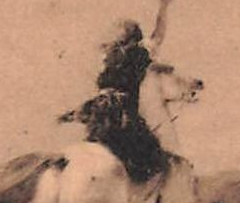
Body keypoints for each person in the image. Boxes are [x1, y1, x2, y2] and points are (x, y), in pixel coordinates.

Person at [60, 19, 168, 183]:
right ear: (134, 38)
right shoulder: (136, 54)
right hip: (123, 118)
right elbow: (157, 38)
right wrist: (165, 6)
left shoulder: (110, 55)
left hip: (101, 116)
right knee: (153, 159)